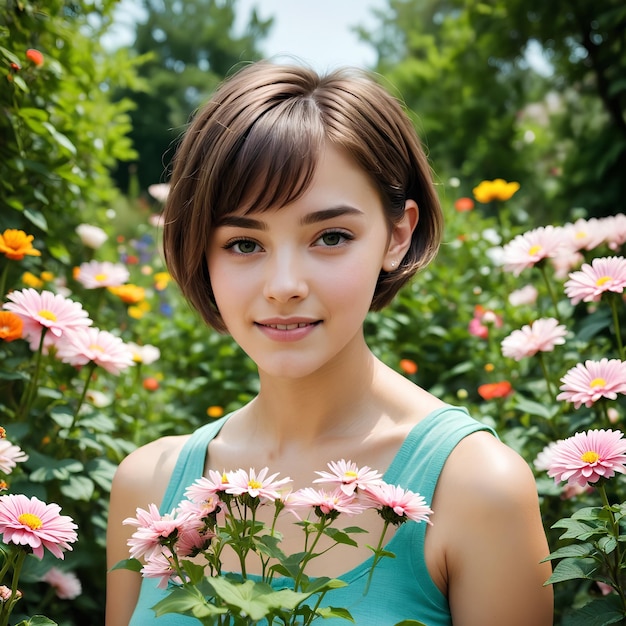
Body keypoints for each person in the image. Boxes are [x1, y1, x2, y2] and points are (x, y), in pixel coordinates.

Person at [106, 61, 553, 626]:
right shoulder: (148, 485)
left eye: (330, 237)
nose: (285, 286)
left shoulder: (475, 489)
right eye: (244, 243)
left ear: (397, 235)